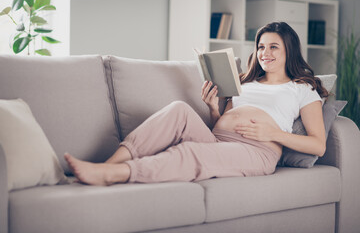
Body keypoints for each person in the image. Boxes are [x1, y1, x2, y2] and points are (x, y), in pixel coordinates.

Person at [64, 22, 328, 186]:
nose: (264, 54)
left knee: (191, 152)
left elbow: (318, 143)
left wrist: (274, 134)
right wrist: (214, 108)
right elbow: (221, 123)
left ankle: (117, 175)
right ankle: (108, 164)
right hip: (217, 139)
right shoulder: (244, 82)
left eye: (273, 47)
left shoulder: (302, 89)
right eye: (261, 47)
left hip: (257, 151)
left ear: (288, 51)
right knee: (178, 109)